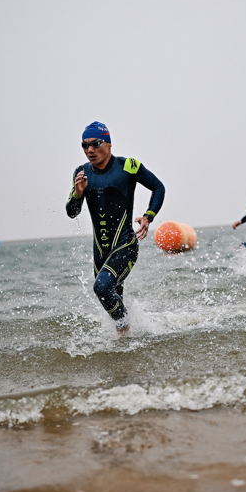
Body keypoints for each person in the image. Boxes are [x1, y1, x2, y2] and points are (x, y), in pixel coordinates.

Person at [66, 121, 165, 337]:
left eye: (95, 144)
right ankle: (128, 345)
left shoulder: (128, 166)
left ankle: (124, 330)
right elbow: (72, 212)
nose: (90, 150)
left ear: (109, 144)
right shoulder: (81, 172)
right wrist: (78, 193)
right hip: (100, 251)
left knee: (101, 287)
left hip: (125, 245)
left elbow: (158, 187)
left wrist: (148, 216)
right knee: (110, 294)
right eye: (84, 145)